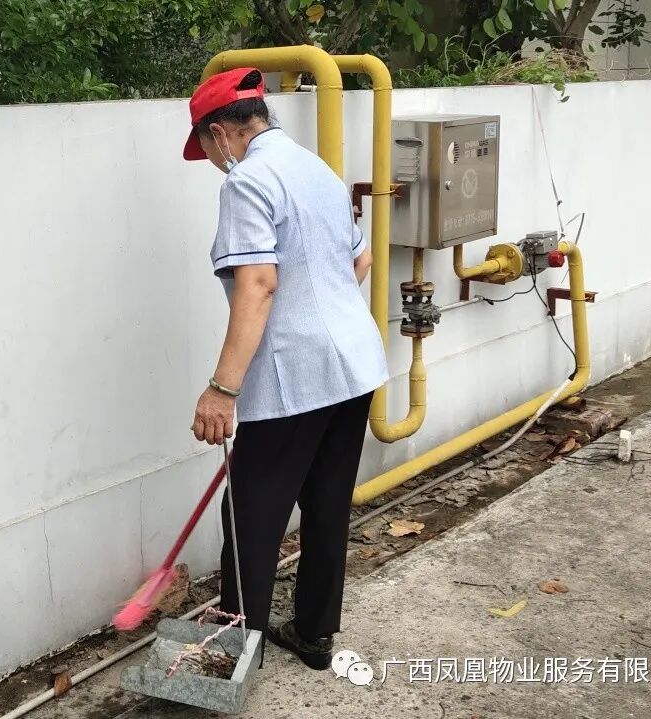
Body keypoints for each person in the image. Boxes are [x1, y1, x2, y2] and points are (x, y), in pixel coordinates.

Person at [184, 67, 388, 670]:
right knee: (326, 502)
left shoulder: (248, 181)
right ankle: (314, 634)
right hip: (354, 364)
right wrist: (326, 321)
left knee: (251, 515)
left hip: (295, 376)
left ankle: (236, 655)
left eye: (207, 148)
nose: (213, 162)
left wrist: (222, 389)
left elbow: (258, 283)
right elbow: (361, 260)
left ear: (220, 133)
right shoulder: (315, 169)